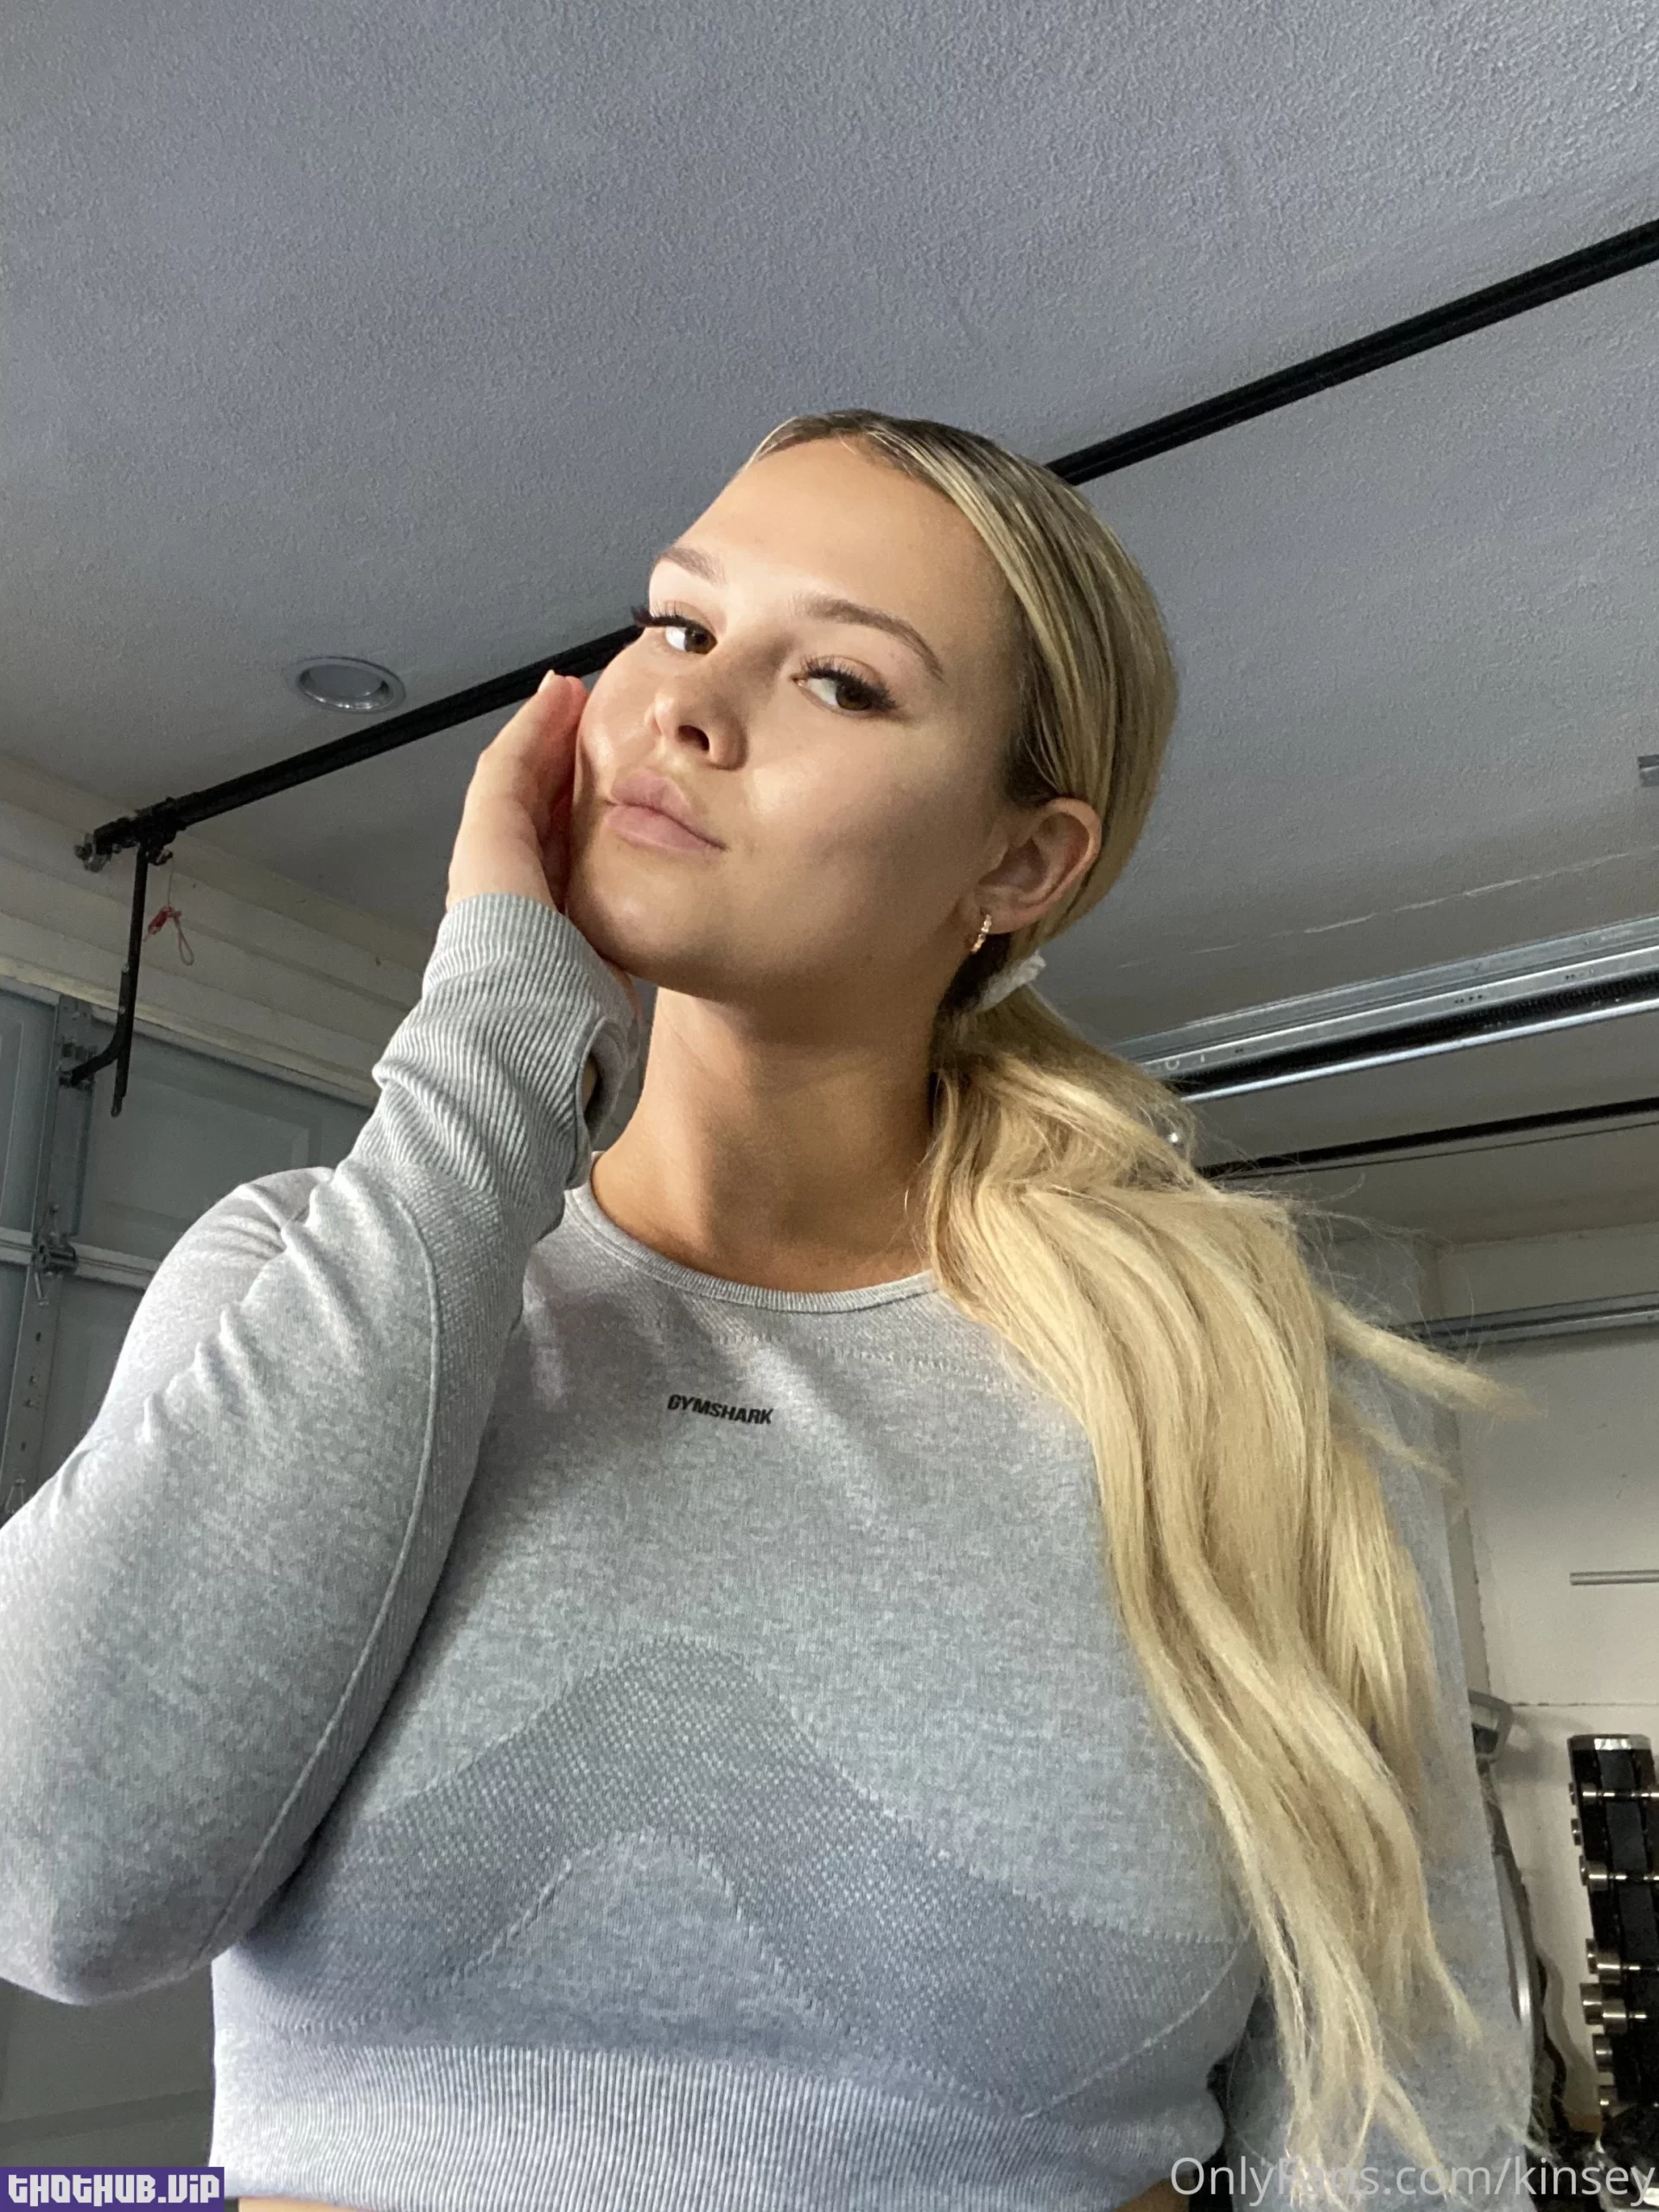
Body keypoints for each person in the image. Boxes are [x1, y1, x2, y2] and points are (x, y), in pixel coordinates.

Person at [0, 410, 1540, 2212]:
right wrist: (492, 1044)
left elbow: (1407, 2120)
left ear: (1021, 866)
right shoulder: (302, 1268)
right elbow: (56, 1881)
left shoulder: (1247, 1392)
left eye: (839, 679)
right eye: (680, 622)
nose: (689, 705)